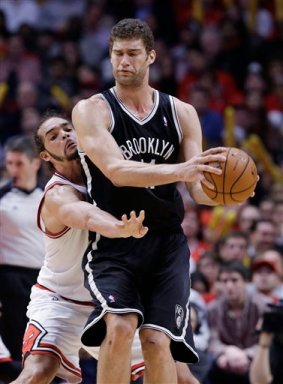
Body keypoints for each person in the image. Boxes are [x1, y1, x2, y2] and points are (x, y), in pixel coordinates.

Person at [72, 18, 230, 384]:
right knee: (121, 326)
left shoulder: (182, 112)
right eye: (117, 54)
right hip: (116, 236)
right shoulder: (91, 110)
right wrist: (184, 170)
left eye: (132, 54)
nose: (123, 62)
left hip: (166, 241)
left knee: (159, 342)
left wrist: (225, 194)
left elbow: (199, 189)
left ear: (152, 57)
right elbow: (116, 170)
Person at [10, 115, 148, 384]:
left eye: (68, 129)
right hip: (60, 299)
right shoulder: (56, 194)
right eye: (54, 136)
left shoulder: (107, 175)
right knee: (37, 373)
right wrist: (121, 228)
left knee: (177, 371)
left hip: (109, 302)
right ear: (45, 156)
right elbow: (84, 215)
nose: (64, 135)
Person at [0, 135, 45, 361]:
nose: (13, 169)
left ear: (35, 162)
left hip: (46, 280)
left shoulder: (51, 195)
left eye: (19, 163)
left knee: (45, 346)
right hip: (11, 280)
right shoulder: (2, 197)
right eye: (9, 163)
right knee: (18, 347)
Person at [206, 261, 271, 384]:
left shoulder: (264, 306)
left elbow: (268, 341)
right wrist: (226, 351)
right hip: (225, 361)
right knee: (208, 363)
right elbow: (212, 340)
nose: (229, 286)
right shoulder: (212, 309)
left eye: (234, 280)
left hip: (256, 360)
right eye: (224, 281)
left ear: (245, 282)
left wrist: (246, 355)